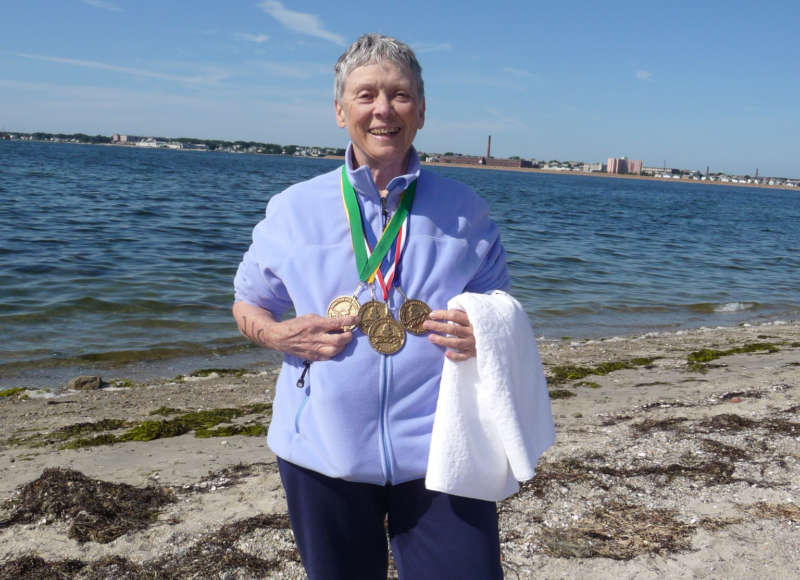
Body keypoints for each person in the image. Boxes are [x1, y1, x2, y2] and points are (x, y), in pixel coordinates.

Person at [233, 33, 509, 579]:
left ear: (422, 111)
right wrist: (280, 336)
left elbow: (501, 312)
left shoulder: (466, 212)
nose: (383, 109)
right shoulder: (294, 210)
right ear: (340, 111)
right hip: (321, 456)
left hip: (443, 452)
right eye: (365, 95)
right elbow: (248, 305)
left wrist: (487, 334)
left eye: (400, 95)